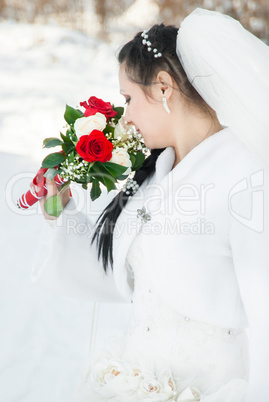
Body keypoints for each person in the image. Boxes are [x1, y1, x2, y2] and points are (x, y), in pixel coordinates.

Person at [32, 7, 269, 402]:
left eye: (128, 99)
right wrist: (60, 210)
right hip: (135, 381)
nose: (125, 116)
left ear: (163, 88)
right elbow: (131, 274)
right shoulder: (157, 173)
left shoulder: (245, 176)